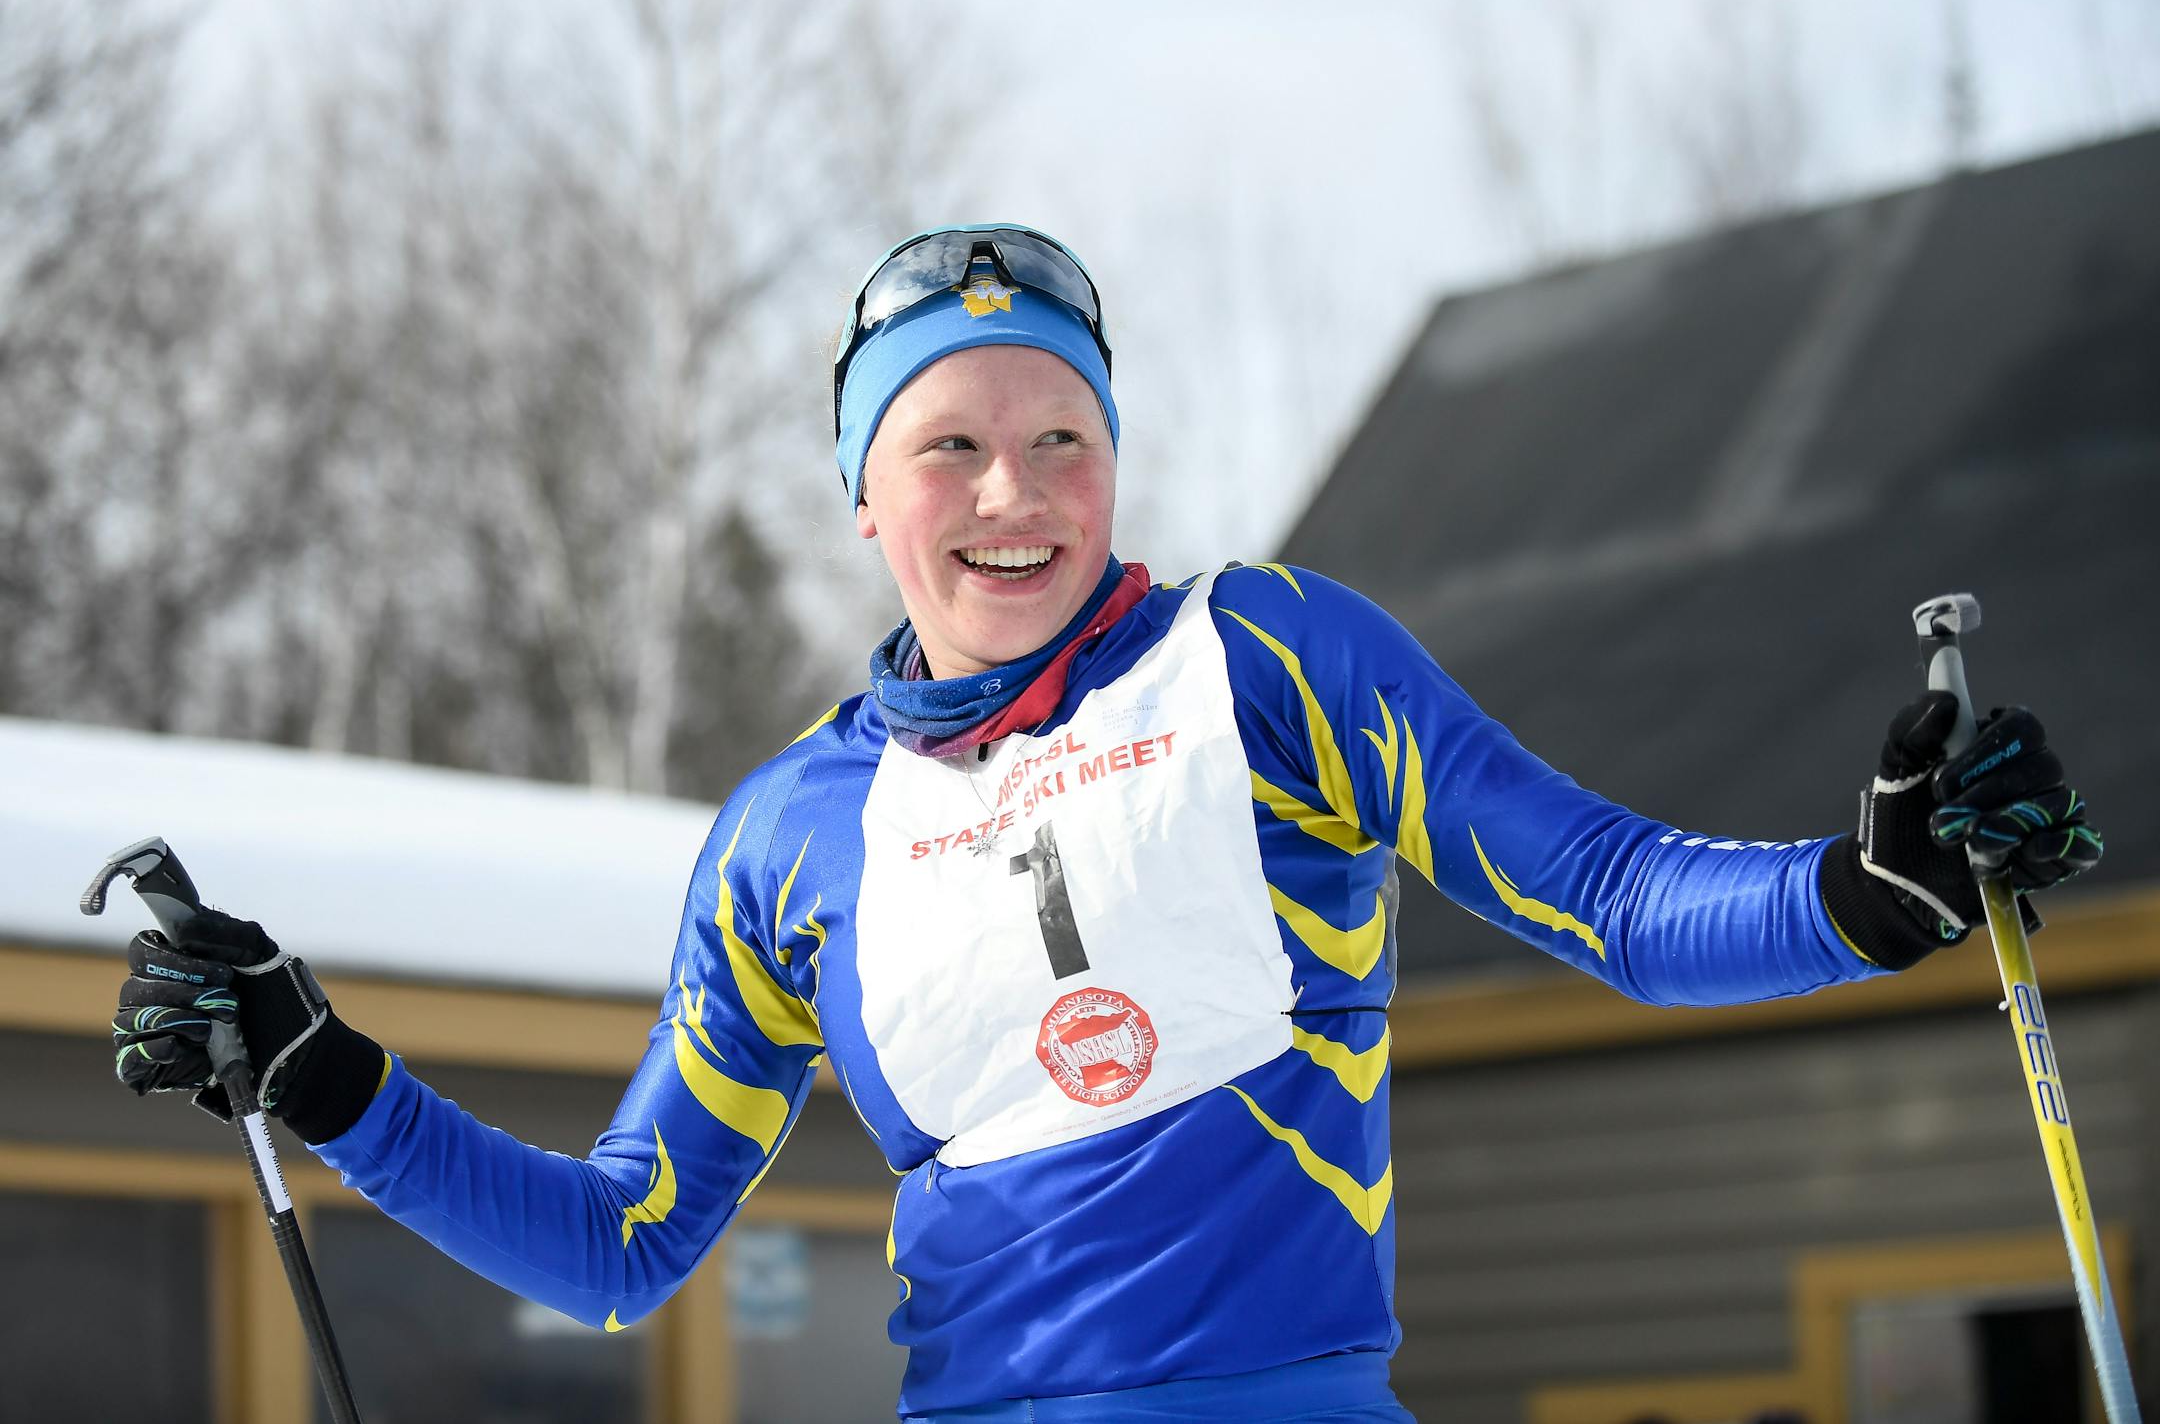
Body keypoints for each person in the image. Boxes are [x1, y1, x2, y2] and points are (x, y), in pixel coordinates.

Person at [112, 224, 2104, 1422]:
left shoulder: (1267, 662)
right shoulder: (791, 838)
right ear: (867, 495)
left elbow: (1607, 895)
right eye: (952, 442)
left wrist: (1876, 883)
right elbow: (623, 1238)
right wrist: (324, 1066)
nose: (1017, 490)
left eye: (1062, 434)